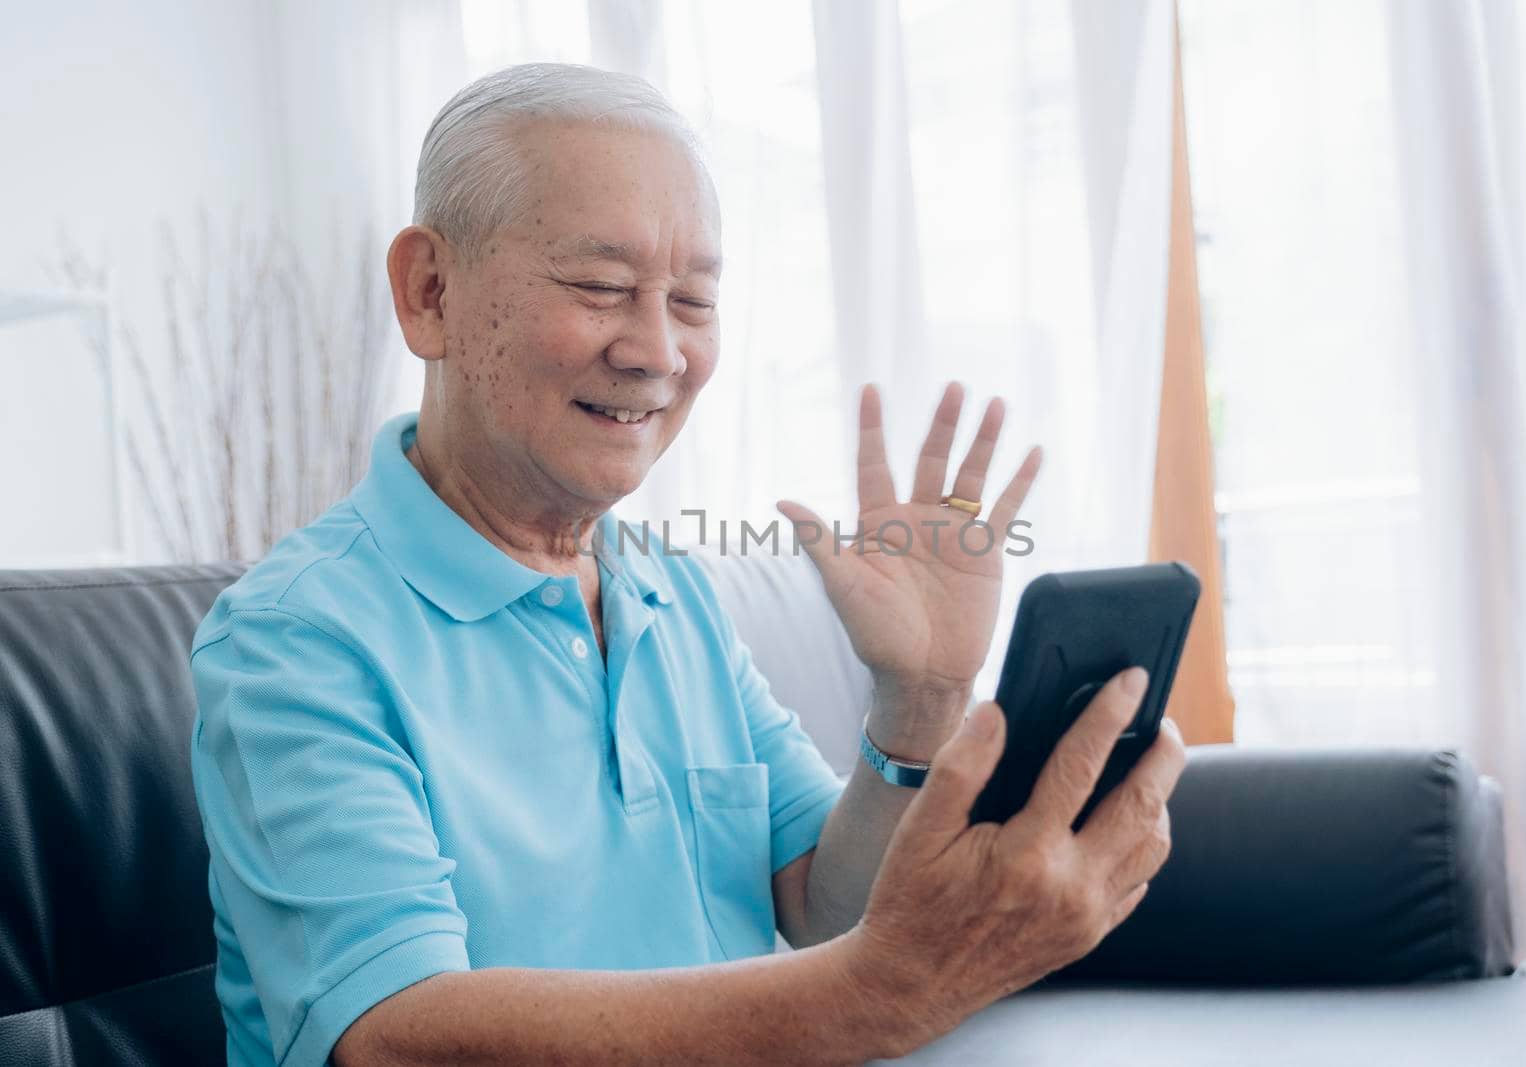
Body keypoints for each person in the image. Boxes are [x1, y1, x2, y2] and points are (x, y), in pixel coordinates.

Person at [188, 62, 1186, 1067]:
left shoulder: (667, 590)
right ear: (430, 291)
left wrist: (918, 699)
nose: (658, 351)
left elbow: (820, 901)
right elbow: (396, 1035)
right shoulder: (295, 637)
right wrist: (875, 995)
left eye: (694, 300)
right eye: (601, 288)